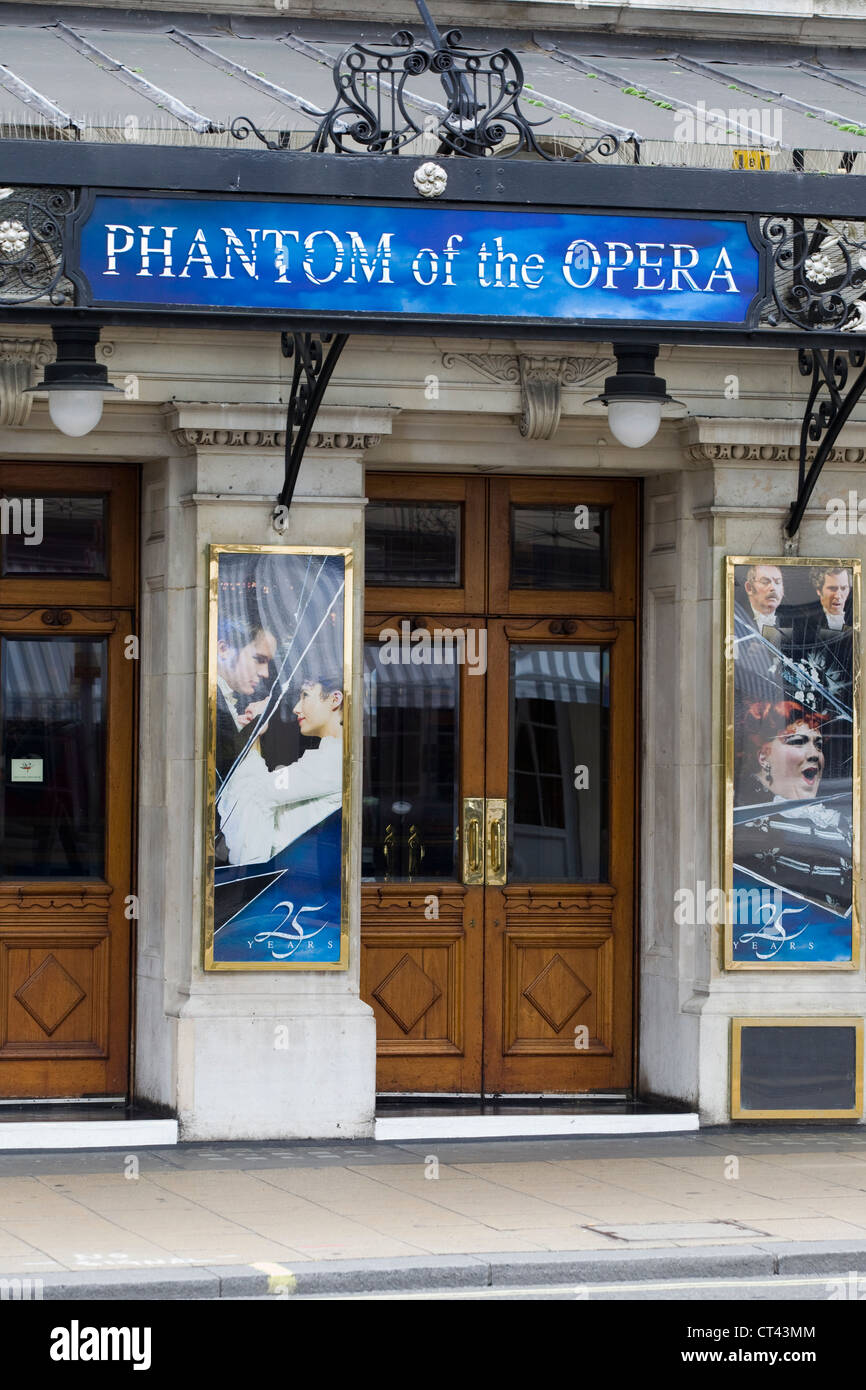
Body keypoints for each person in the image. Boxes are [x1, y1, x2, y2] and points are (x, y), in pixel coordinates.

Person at [734, 699, 852, 915]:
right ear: (763, 757)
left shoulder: (842, 825)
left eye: (818, 745)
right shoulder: (743, 825)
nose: (815, 754)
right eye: (798, 741)